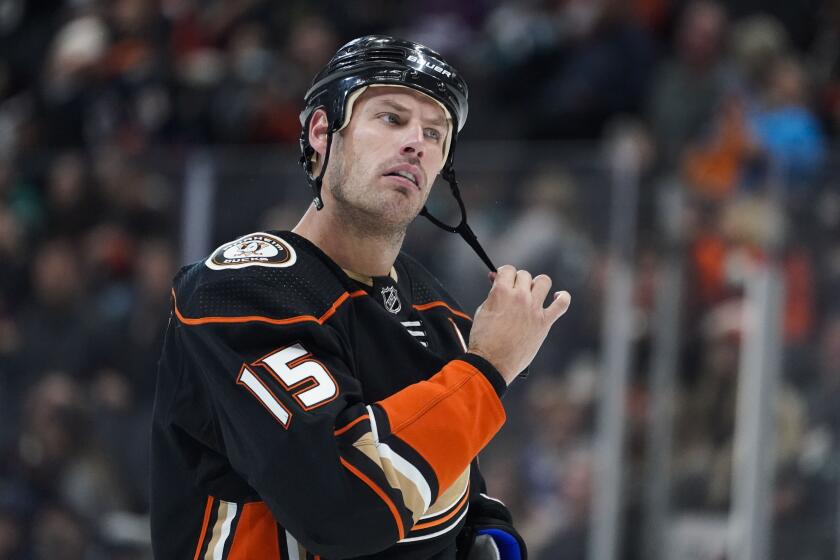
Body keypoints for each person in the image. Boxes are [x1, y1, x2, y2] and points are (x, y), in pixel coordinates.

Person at [150, 35, 571, 560]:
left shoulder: (432, 303)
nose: (416, 142)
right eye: (392, 118)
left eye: (435, 133)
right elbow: (346, 506)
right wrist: (487, 369)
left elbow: (454, 492)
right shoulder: (239, 289)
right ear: (322, 133)